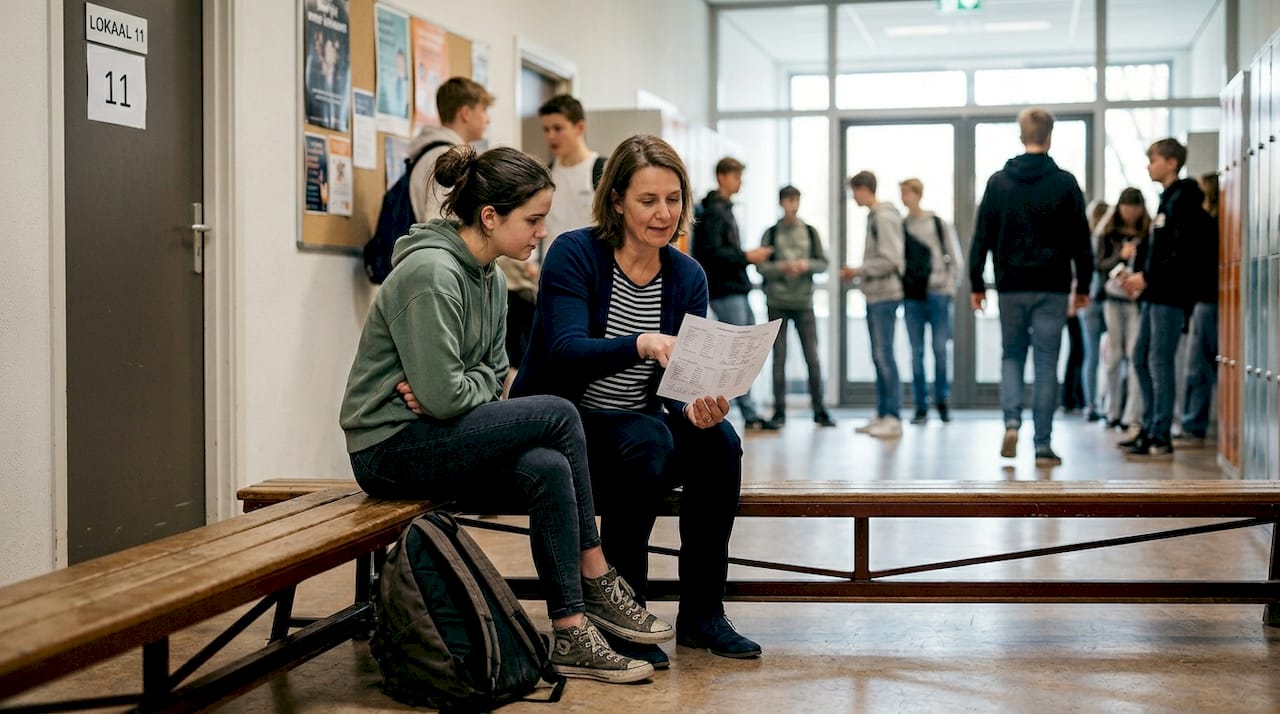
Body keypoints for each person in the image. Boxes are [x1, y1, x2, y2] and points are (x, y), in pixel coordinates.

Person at [341, 145, 666, 684]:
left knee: (547, 467)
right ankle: (597, 572)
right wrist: (462, 388)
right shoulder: (431, 273)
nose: (541, 232)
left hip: (439, 431)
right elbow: (452, 395)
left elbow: (487, 376)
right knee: (561, 414)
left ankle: (570, 630)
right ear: (490, 217)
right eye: (533, 220)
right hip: (389, 447)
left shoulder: (490, 276)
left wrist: (460, 387)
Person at [513, 134, 762, 666]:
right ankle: (626, 617)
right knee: (644, 444)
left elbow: (677, 381)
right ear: (618, 201)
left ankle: (702, 615)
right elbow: (563, 351)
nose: (663, 213)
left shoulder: (686, 274)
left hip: (639, 418)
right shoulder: (575, 253)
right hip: (568, 424)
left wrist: (695, 406)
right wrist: (641, 343)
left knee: (720, 443)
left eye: (673, 199)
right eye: (648, 200)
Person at [969, 108, 1092, 466]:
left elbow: (982, 236)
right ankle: (1042, 443)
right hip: (1052, 287)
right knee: (1045, 363)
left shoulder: (998, 182)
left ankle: (1011, 421)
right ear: (1050, 137)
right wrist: (1082, 284)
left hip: (1010, 287)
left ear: (1021, 137)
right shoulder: (1065, 183)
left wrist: (977, 284)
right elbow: (1081, 240)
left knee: (1011, 355)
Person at [1120, 138, 1208, 456]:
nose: (1149, 165)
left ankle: (1160, 433)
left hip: (1169, 297)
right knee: (1140, 357)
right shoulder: (1166, 200)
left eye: (1154, 159)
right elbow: (1158, 249)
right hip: (1152, 295)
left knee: (1159, 362)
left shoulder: (1183, 199)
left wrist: (1148, 277)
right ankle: (1148, 425)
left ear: (1172, 162)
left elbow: (1180, 252)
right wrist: (1140, 277)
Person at [692, 157, 776, 431]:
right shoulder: (716, 211)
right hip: (727, 291)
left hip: (732, 289)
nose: (740, 182)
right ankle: (748, 413)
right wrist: (746, 256)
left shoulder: (720, 208)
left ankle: (749, 411)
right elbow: (714, 254)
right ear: (723, 177)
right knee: (738, 356)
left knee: (743, 354)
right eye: (737, 176)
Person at [757, 186, 835, 429]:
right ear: (782, 203)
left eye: (796, 200)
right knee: (778, 358)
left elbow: (823, 263)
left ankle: (819, 410)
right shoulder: (771, 233)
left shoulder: (810, 232)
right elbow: (761, 265)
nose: (793, 205)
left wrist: (805, 265)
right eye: (788, 200)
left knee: (812, 357)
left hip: (804, 303)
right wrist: (780, 267)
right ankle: (779, 412)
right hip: (777, 303)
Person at [846, 171, 905, 438]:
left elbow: (892, 259)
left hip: (885, 296)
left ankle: (892, 416)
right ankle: (883, 413)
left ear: (863, 189)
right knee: (878, 355)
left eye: (854, 191)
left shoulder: (883, 217)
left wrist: (860, 269)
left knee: (884, 356)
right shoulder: (876, 217)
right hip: (876, 296)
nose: (853, 197)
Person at [899, 178, 963, 424]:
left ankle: (942, 402)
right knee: (916, 353)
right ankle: (920, 406)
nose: (904, 198)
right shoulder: (902, 226)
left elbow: (955, 260)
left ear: (918, 194)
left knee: (939, 350)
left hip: (938, 295)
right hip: (913, 296)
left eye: (907, 193)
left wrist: (948, 288)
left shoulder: (938, 224)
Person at [1094, 188, 1149, 434]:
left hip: (1136, 300)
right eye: (1126, 209)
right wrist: (1120, 256)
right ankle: (1112, 410)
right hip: (1112, 299)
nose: (1130, 215)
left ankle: (1132, 414)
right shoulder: (1109, 232)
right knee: (1113, 356)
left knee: (1134, 355)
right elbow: (1100, 264)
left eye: (1134, 210)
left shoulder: (1148, 231)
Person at [407, 77, 494, 223]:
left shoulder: (432, 152)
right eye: (484, 110)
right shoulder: (444, 158)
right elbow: (439, 224)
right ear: (465, 113)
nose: (488, 119)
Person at [1176, 173, 1220, 449]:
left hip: (1206, 301)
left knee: (1197, 366)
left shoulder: (1208, 225)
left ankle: (1193, 425)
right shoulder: (1214, 225)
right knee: (1201, 365)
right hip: (1206, 301)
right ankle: (1195, 423)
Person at [1082, 199, 1111, 422]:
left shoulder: (1086, 240)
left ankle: (1091, 404)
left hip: (1090, 299)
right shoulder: (1104, 240)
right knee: (1111, 354)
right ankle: (1104, 404)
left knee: (1091, 354)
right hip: (1102, 298)